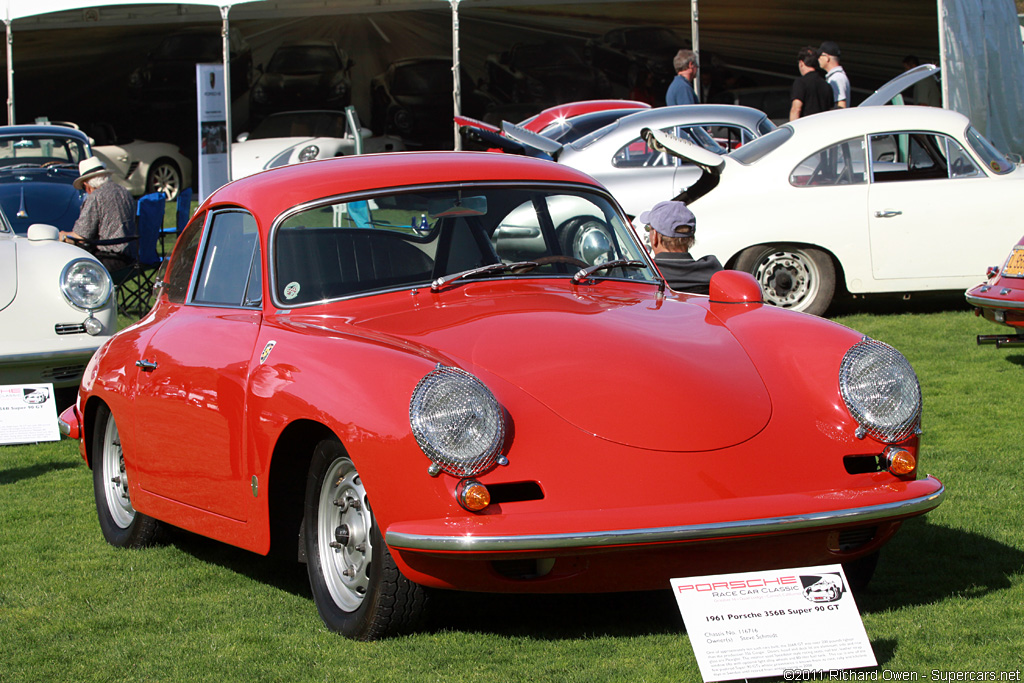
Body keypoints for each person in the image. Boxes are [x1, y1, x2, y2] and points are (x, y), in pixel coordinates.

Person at [59, 156, 136, 273]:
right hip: (132, 255)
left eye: (84, 188)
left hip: (109, 258)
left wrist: (62, 236)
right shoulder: (124, 191)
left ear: (87, 185)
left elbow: (81, 236)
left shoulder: (96, 197)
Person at [638, 200, 722, 295]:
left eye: (648, 229)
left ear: (655, 237)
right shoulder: (714, 273)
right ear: (691, 237)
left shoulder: (643, 275)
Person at [789, 46, 834, 121]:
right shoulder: (826, 85)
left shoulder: (801, 82)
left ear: (801, 63)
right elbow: (830, 110)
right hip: (821, 127)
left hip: (805, 127)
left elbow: (796, 109)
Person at [817, 40, 850, 108]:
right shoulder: (837, 76)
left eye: (820, 56)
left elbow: (841, 105)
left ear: (827, 58)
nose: (818, 59)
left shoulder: (837, 78)